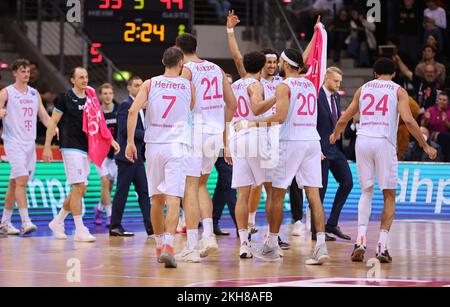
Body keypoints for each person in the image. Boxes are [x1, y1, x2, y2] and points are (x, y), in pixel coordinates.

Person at [330, 58, 437, 263]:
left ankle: (360, 241)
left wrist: (335, 135)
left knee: (366, 192)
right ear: (394, 74)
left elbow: (344, 118)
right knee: (389, 195)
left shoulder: (363, 89)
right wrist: (425, 145)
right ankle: (382, 246)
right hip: (383, 142)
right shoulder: (398, 91)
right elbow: (407, 119)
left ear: (374, 73)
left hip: (363, 141)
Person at [235, 48, 330, 265]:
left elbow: (279, 117)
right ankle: (321, 246)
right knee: (314, 196)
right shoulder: (311, 84)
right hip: (312, 141)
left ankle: (272, 244)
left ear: (286, 64)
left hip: (291, 142)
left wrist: (251, 122)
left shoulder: (283, 85)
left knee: (276, 195)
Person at [125, 47, 195, 268]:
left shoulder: (149, 83)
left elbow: (132, 111)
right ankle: (169, 246)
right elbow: (190, 109)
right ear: (181, 63)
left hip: (154, 145)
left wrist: (129, 142)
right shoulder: (188, 85)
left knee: (156, 198)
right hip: (176, 146)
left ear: (163, 61)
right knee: (174, 197)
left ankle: (157, 246)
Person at [175, 33, 236, 263]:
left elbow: (185, 104)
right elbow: (233, 103)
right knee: (201, 184)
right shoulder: (216, 68)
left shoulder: (186, 70)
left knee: (189, 188)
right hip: (214, 133)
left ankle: (191, 245)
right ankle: (208, 235)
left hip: (196, 132)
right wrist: (224, 133)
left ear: (178, 49)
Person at [43, 67, 119, 242]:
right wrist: (47, 146)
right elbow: (53, 121)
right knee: (78, 187)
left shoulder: (92, 97)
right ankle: (79, 229)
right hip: (70, 146)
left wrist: (110, 140)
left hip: (86, 147)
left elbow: (99, 120)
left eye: (86, 77)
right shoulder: (64, 99)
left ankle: (57, 221)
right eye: (81, 77)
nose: (85, 80)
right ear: (73, 80)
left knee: (81, 190)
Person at [229, 51, 277, 259]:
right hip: (255, 134)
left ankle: (244, 244)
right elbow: (257, 109)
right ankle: (271, 242)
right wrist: (278, 96)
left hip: (236, 136)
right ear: (261, 68)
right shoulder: (256, 85)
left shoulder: (234, 85)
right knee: (271, 189)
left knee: (242, 193)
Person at [0, 58, 54, 235]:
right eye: (23, 71)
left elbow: (45, 117)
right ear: (14, 72)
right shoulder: (6, 92)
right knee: (21, 180)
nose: (26, 74)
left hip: (29, 144)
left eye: (28, 72)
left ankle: (4, 223)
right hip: (13, 142)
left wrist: (55, 127)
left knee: (14, 183)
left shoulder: (34, 93)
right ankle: (26, 222)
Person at [109, 76, 153, 237]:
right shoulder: (125, 105)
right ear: (129, 88)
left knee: (144, 191)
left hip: (138, 157)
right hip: (126, 156)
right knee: (122, 191)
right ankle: (114, 226)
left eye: (142, 85)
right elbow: (124, 130)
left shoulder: (142, 107)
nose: (140, 87)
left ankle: (151, 227)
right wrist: (149, 135)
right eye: (136, 85)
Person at [315, 67, 353, 241]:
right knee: (319, 191)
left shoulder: (336, 96)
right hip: (320, 149)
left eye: (340, 81)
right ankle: (316, 231)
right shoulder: (315, 96)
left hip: (336, 149)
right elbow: (310, 124)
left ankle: (332, 223)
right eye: (336, 81)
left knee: (347, 183)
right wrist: (315, 147)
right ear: (326, 78)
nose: (338, 84)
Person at [94, 83, 118, 227]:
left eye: (110, 93)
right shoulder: (97, 113)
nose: (107, 96)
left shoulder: (119, 110)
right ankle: (110, 216)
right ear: (100, 96)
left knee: (109, 186)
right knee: (104, 182)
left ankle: (99, 208)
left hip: (114, 154)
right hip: (100, 153)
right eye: (105, 93)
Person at [421, 92, 450, 161]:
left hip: (447, 139)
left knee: (445, 137)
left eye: (444, 100)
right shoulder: (431, 110)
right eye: (440, 99)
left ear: (448, 102)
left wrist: (446, 121)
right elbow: (422, 125)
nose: (441, 101)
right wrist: (426, 119)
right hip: (432, 137)